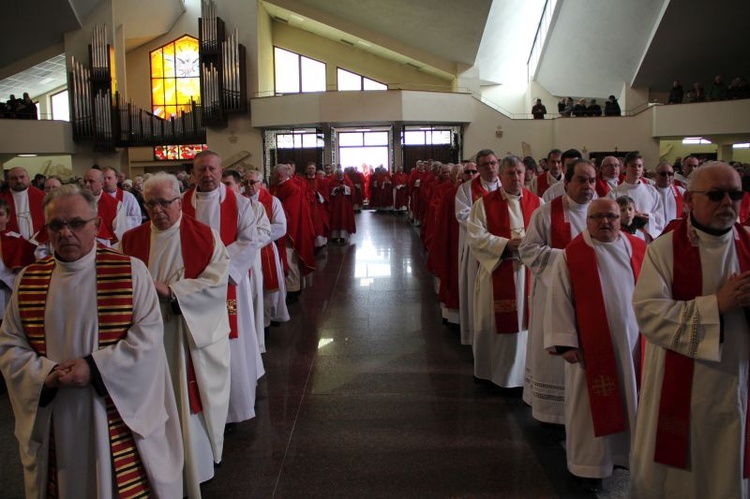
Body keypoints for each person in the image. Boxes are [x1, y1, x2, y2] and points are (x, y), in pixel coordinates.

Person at [0, 185, 183, 497]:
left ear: (97, 226)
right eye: (56, 225)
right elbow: (10, 346)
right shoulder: (29, 279)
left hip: (115, 411)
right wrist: (44, 375)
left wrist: (95, 369)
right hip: (58, 413)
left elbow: (148, 337)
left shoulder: (129, 271)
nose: (65, 233)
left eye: (76, 223)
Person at [631, 162, 750, 497]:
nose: (728, 202)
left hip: (738, 379)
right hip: (682, 384)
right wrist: (717, 306)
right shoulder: (664, 250)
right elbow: (649, 314)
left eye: (735, 194)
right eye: (715, 195)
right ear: (689, 202)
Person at [120, 173, 231, 497]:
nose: (157, 210)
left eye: (164, 202)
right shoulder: (129, 240)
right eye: (150, 203)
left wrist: (172, 291)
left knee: (185, 397)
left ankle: (196, 463)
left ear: (179, 200)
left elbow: (217, 281)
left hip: (184, 334)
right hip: (144, 337)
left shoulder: (204, 237)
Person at [545, 198, 646, 493]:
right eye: (597, 217)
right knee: (588, 408)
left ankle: (625, 458)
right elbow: (560, 299)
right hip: (590, 350)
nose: (605, 222)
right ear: (587, 221)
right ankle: (588, 466)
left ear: (622, 219)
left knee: (632, 400)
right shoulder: (572, 254)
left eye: (611, 216)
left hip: (636, 345)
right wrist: (565, 343)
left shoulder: (639, 248)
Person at [183, 150, 271, 426]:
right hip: (191, 287)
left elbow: (249, 240)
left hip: (228, 285)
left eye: (212, 169)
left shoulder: (240, 204)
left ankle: (234, 407)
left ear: (221, 171)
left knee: (233, 342)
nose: (207, 175)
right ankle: (200, 408)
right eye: (201, 170)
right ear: (193, 174)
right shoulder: (182, 204)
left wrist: (216, 271)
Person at [518, 159, 596, 424]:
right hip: (554, 297)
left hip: (592, 299)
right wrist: (570, 259)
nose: (588, 186)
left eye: (592, 181)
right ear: (566, 183)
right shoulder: (545, 212)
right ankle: (553, 412)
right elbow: (527, 250)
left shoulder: (601, 211)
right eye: (581, 180)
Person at [467, 155, 540, 388]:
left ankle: (524, 376)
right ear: (501, 175)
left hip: (529, 275)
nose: (516, 178)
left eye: (519, 172)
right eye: (510, 173)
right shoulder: (484, 204)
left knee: (526, 328)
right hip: (498, 272)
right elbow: (476, 237)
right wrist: (505, 245)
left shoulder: (537, 203)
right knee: (497, 326)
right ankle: (495, 375)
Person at [455, 149, 499, 346]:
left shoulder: (506, 187)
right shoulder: (466, 189)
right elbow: (462, 215)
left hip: (502, 248)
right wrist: (488, 222)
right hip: (477, 248)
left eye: (493, 163)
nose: (490, 167)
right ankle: (476, 335)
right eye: (485, 164)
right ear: (478, 168)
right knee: (476, 291)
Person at [244, 170, 290, 329]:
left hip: (265, 249)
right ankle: (250, 322)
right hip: (244, 252)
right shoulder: (239, 201)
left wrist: (255, 237)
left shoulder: (272, 201)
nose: (249, 186)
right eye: (246, 182)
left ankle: (266, 321)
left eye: (252, 182)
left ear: (260, 183)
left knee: (266, 289)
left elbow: (281, 227)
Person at [270, 163, 316, 301]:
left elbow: (291, 211)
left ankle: (293, 290)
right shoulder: (277, 187)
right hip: (280, 229)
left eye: (273, 174)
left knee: (290, 259)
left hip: (291, 231)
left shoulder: (292, 189)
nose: (272, 177)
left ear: (280, 175)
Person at [614, 151, 664, 238]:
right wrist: (631, 215)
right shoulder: (614, 193)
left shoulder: (651, 191)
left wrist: (648, 217)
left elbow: (660, 216)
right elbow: (610, 217)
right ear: (625, 168)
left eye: (639, 166)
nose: (637, 169)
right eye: (633, 166)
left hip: (647, 239)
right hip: (624, 238)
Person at [0, 199, 36, 315]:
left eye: (0, 214)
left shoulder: (17, 241)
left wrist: (6, 281)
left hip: (8, 293)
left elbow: (26, 272)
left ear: (8, 217)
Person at [0, 166, 45, 240]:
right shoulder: (2, 199)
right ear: (8, 181)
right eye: (14, 178)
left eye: (22, 177)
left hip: (39, 242)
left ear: (28, 178)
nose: (19, 181)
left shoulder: (42, 196)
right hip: (11, 243)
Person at [82, 168, 120, 244]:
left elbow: (121, 235)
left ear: (102, 183)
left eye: (91, 181)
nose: (87, 185)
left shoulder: (115, 204)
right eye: (85, 181)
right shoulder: (78, 202)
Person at [102, 166, 142, 236]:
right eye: (103, 178)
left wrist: (117, 222)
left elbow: (137, 218)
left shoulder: (128, 197)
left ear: (116, 179)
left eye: (109, 178)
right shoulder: (96, 198)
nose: (106, 181)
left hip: (123, 237)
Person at [328, 168, 356, 244]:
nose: (339, 175)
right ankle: (334, 236)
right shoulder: (332, 182)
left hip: (345, 204)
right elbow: (329, 191)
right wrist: (336, 189)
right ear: (335, 174)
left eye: (340, 174)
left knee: (344, 218)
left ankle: (343, 236)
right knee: (335, 218)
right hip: (335, 204)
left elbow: (352, 190)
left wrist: (345, 187)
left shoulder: (347, 181)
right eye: (338, 174)